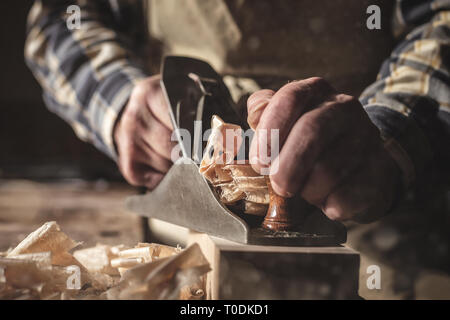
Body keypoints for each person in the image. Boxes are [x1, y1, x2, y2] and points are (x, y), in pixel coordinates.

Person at [25, 0, 449, 298]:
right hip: (184, 250)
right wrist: (118, 103)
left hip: (377, 222)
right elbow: (62, 17)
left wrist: (391, 130)